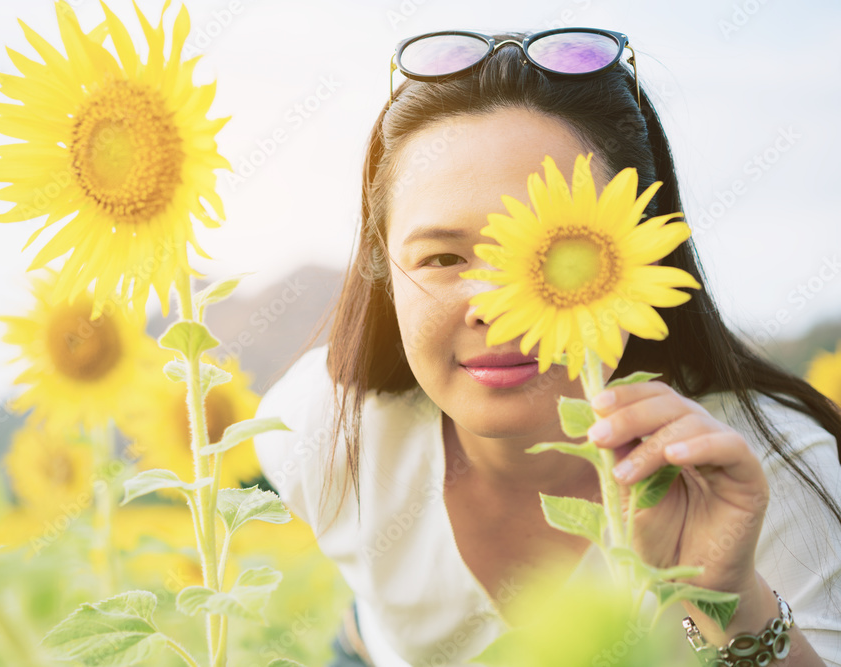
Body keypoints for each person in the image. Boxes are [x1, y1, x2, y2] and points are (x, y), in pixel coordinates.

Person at [252, 27, 841, 667]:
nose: (500, 306)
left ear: (648, 249)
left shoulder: (763, 479)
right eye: (444, 257)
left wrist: (720, 605)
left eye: (557, 257)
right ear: (383, 272)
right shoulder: (316, 431)